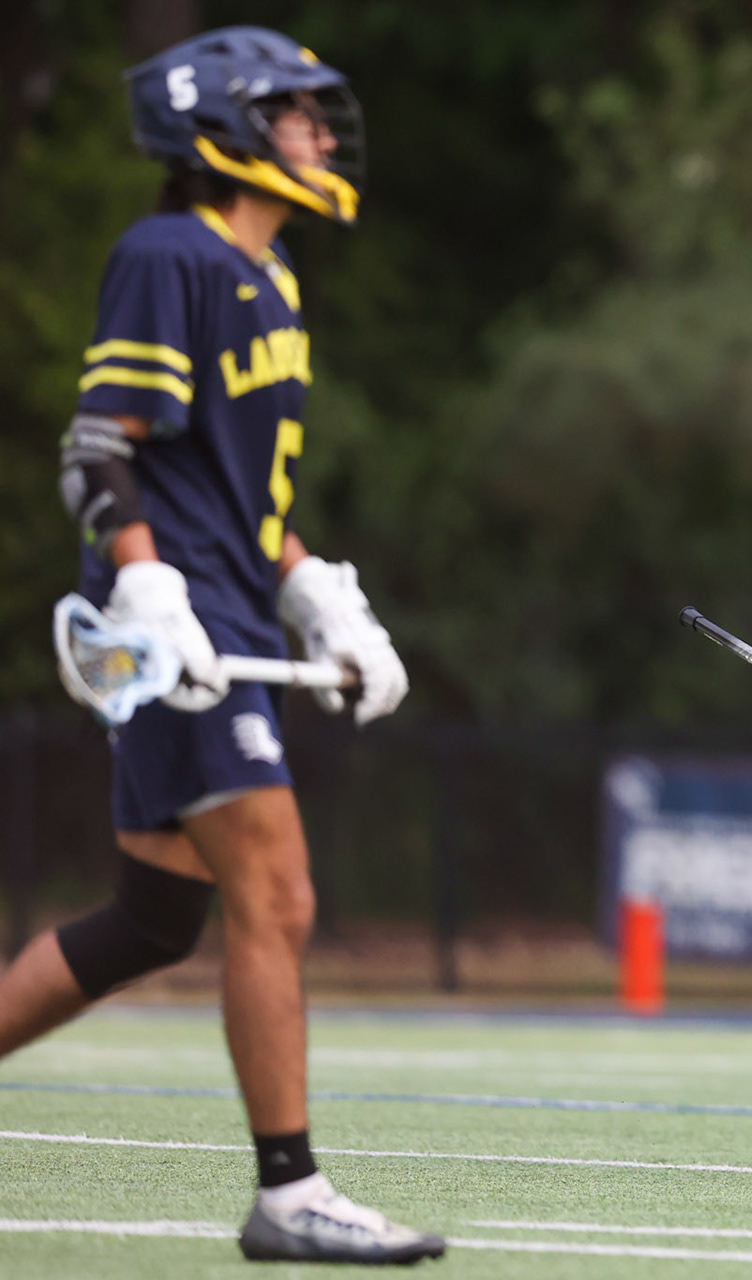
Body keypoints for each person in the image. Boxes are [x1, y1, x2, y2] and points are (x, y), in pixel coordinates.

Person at [0, 28, 443, 1264]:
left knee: (152, 917)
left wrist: (319, 596)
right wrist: (148, 583)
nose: (320, 133)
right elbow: (103, 449)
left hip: (233, 613)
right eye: (296, 114)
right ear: (226, 132)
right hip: (171, 624)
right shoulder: (168, 253)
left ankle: (290, 1194)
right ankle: (290, 1193)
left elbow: (239, 495)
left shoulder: (275, 271)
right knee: (279, 890)